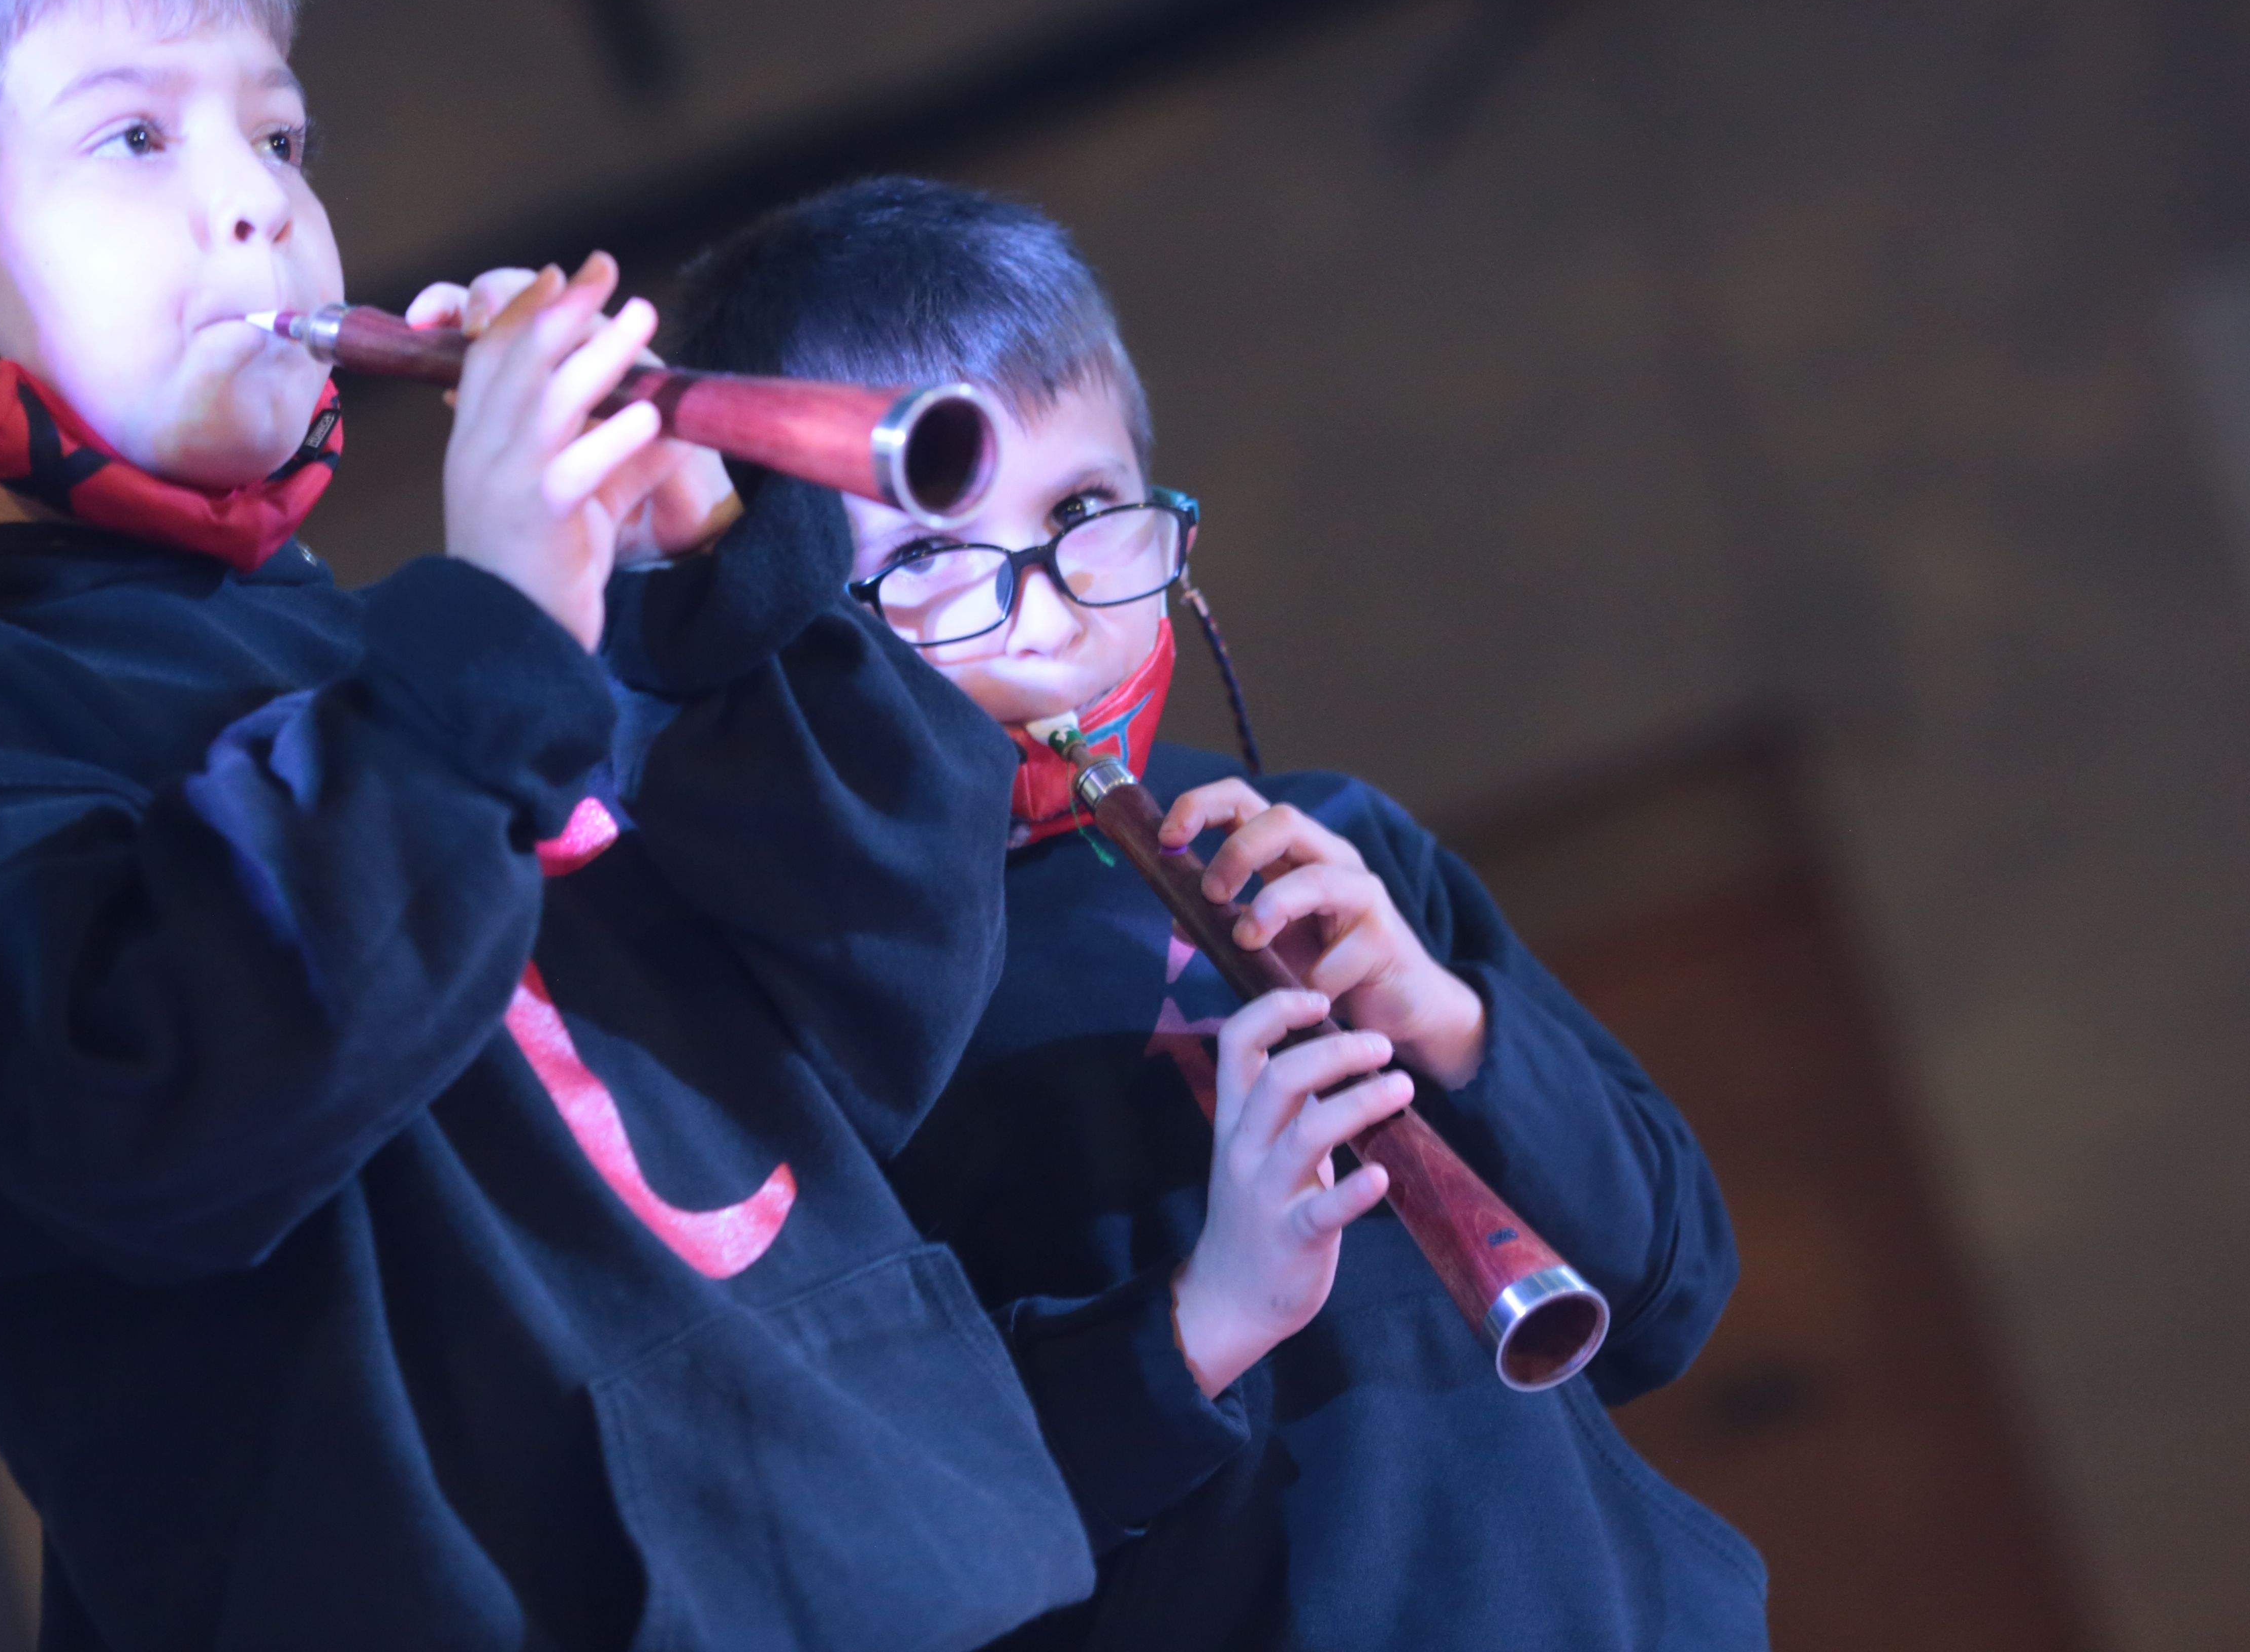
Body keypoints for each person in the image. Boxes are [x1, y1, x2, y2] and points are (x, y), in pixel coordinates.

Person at [0, 0, 1090, 1651]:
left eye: (277, 141)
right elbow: (177, 1110)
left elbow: (877, 1020)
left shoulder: (414, 655)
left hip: (896, 1561)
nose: (254, 214)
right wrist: (503, 621)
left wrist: (712, 590)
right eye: (134, 143)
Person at [666, 176, 1771, 1650]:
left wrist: (1446, 1030)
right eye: (932, 559)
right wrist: (1210, 1316)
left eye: (1079, 510)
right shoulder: (810, 1009)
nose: (1047, 612)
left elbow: (1665, 1288)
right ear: (789, 620)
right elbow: (870, 1539)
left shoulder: (1335, 844)